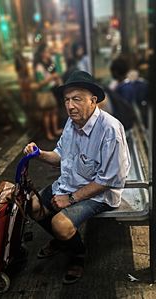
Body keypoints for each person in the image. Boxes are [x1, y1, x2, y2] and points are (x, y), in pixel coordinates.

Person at [24, 70, 131, 284]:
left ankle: (78, 255)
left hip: (98, 195)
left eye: (77, 99)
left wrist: (70, 199)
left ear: (93, 101)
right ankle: (62, 240)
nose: (70, 106)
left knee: (61, 224)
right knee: (32, 206)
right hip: (68, 185)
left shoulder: (110, 129)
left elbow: (108, 180)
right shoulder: (71, 123)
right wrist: (39, 154)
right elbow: (60, 156)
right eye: (67, 100)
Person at [33, 43, 63, 140]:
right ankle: (49, 133)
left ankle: (55, 130)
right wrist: (51, 78)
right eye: (46, 51)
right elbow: (40, 83)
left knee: (54, 112)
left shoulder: (50, 63)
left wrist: (57, 55)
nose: (48, 53)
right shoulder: (39, 66)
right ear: (42, 53)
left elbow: (59, 70)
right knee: (47, 114)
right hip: (45, 92)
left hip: (53, 90)